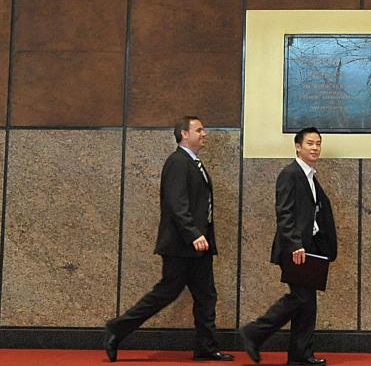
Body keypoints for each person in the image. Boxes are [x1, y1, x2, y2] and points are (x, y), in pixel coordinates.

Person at [104, 116, 234, 362]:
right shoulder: (177, 162)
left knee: (206, 296)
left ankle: (206, 347)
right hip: (182, 245)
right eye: (199, 130)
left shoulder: (192, 162)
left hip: (199, 245)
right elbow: (176, 203)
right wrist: (193, 233)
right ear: (184, 134)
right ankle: (117, 328)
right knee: (166, 292)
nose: (204, 134)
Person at [240, 127, 337, 366]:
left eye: (318, 143)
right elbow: (284, 212)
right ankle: (254, 332)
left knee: (307, 303)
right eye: (310, 143)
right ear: (297, 146)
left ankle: (299, 355)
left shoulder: (310, 176)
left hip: (310, 247)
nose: (315, 148)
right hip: (295, 248)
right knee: (300, 299)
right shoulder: (290, 174)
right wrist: (294, 244)